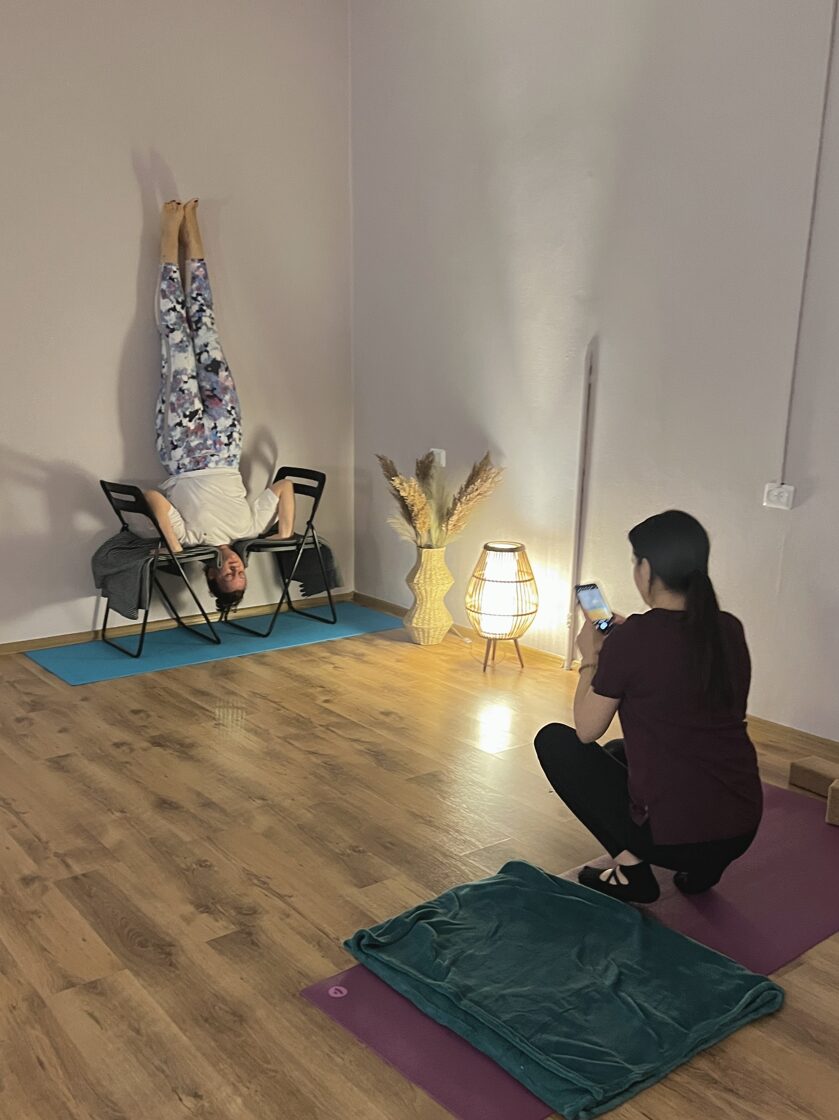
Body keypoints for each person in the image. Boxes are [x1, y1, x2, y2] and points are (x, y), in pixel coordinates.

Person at [534, 510, 763, 904]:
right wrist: (627, 642)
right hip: (742, 826)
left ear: (646, 569)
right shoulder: (728, 628)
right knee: (618, 752)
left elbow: (586, 729)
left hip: (677, 840)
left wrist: (591, 657)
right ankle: (705, 869)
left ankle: (632, 872)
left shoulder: (635, 640)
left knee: (556, 742)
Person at [143, 200, 295, 615]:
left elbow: (152, 497)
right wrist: (284, 534)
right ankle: (192, 232)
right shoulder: (249, 528)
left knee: (176, 337)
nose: (234, 569)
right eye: (241, 574)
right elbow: (284, 487)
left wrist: (174, 548)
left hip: (184, 449)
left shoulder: (192, 540)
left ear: (211, 576)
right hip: (226, 440)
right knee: (206, 330)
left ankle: (168, 238)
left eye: (228, 576)